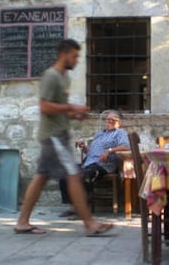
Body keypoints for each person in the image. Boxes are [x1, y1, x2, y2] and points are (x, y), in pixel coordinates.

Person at [14, 39, 113, 236]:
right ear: (64, 54)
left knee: (41, 177)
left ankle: (22, 222)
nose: (77, 61)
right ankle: (89, 223)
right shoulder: (51, 76)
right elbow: (45, 107)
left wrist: (74, 114)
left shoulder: (63, 78)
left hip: (56, 135)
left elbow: (57, 109)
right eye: (75, 56)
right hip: (53, 136)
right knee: (74, 176)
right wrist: (71, 107)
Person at [59, 111, 130, 217]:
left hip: (103, 165)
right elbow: (91, 152)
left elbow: (126, 147)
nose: (109, 121)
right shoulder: (99, 134)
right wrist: (84, 147)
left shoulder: (120, 132)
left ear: (119, 122)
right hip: (89, 163)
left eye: (113, 119)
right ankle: (73, 207)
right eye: (107, 119)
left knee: (85, 175)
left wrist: (109, 150)